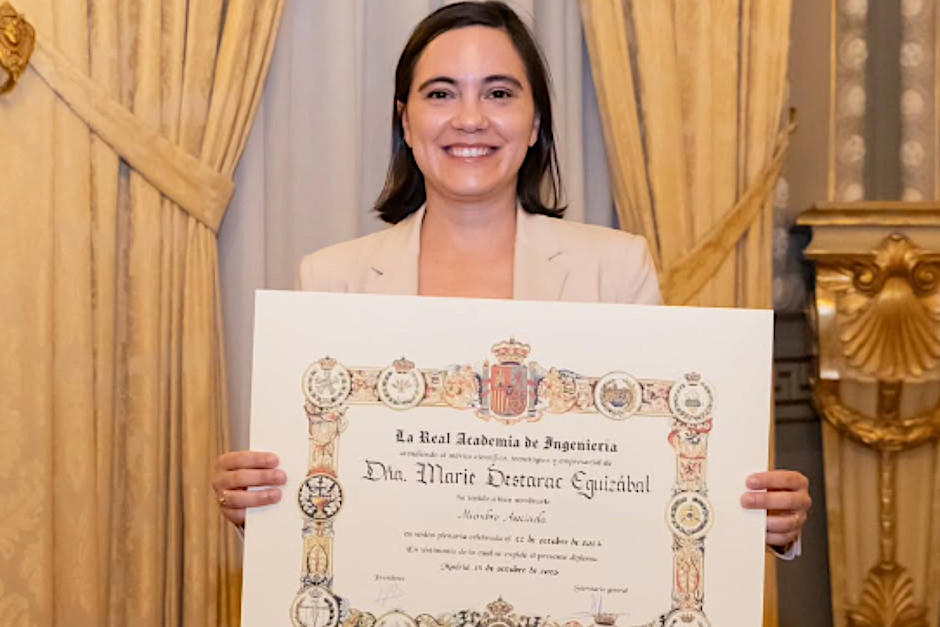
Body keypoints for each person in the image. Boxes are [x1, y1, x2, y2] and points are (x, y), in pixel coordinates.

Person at [213, 1, 810, 556]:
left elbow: (660, 475)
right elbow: (320, 493)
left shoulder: (616, 269)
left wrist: (762, 517)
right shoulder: (331, 280)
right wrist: (258, 504)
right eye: (441, 93)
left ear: (533, 124)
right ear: (406, 120)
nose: (470, 119)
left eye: (498, 93)